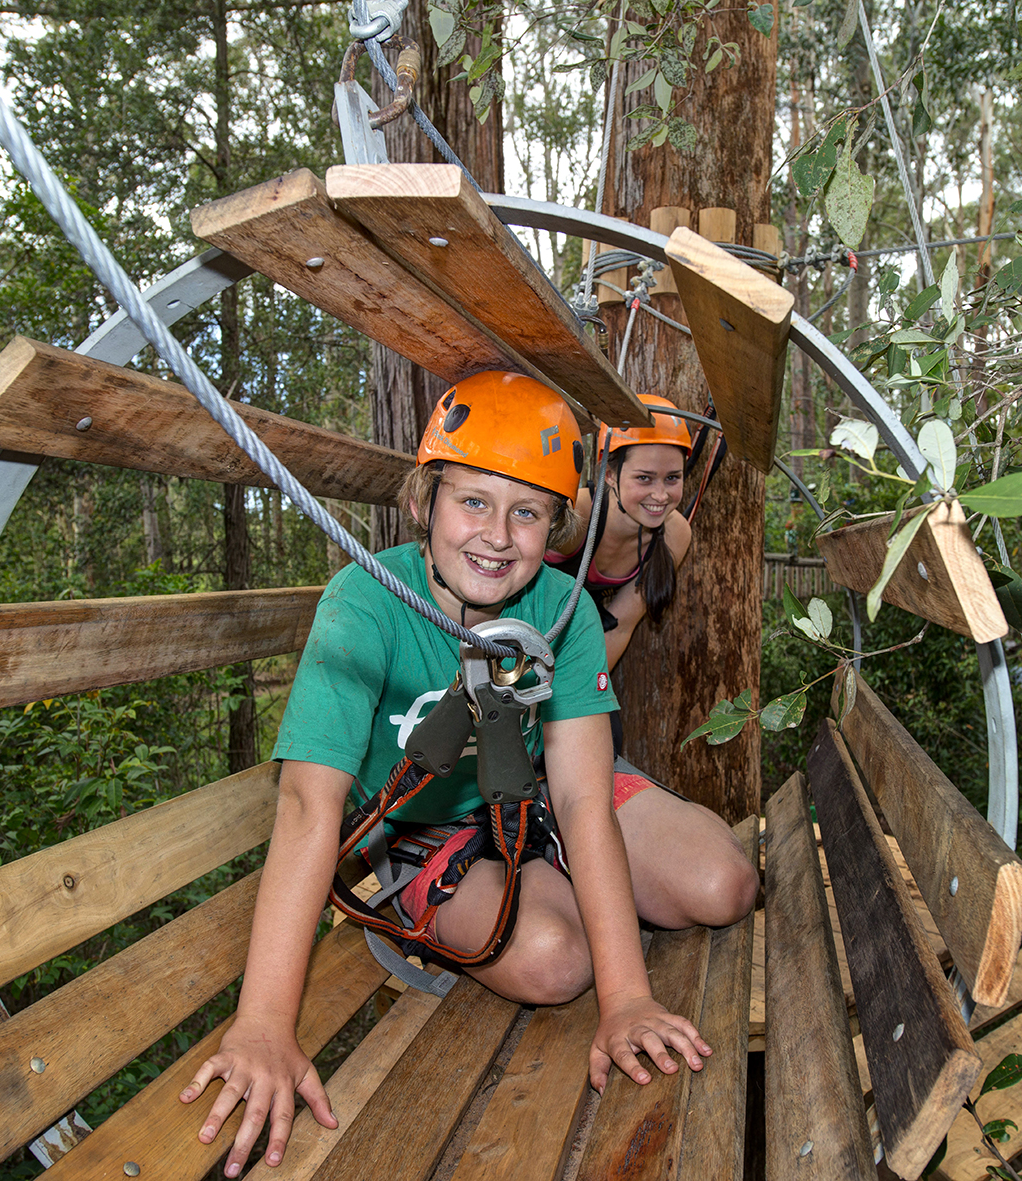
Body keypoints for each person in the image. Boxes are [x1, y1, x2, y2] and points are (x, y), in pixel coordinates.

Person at [179, 371, 758, 1178]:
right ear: (425, 501)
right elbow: (312, 808)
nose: (497, 534)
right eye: (473, 502)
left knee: (724, 883)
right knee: (557, 961)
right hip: (427, 823)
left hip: (543, 796)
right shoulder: (366, 602)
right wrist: (266, 1021)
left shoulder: (563, 608)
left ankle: (567, 886)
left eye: (527, 511)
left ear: (557, 525)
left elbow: (586, 795)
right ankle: (517, 898)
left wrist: (628, 999)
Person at [547, 394, 695, 670]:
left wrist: (582, 693)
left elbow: (618, 627)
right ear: (610, 474)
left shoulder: (676, 533)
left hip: (574, 652)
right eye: (644, 478)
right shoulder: (578, 514)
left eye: (672, 477)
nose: (661, 495)